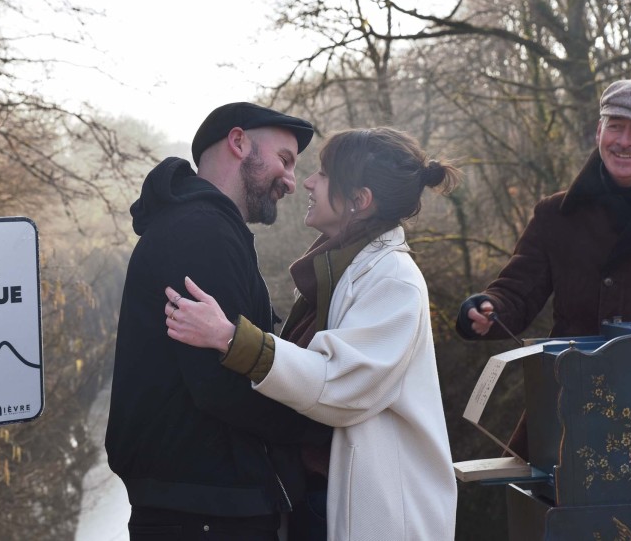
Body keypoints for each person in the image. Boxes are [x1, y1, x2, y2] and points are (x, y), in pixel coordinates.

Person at [164, 127, 460, 541]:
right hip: (323, 499)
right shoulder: (347, 269)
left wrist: (231, 338)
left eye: (323, 174)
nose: (306, 181)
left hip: (377, 514)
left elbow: (339, 382)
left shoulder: (394, 280)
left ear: (359, 200)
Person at [105, 102, 333, 541]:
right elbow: (221, 384)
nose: (291, 180)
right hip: (205, 512)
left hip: (205, 504)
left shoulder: (205, 226)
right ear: (239, 142)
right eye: (284, 159)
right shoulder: (200, 232)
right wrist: (322, 419)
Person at [456, 78, 631, 342]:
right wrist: (488, 308)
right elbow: (517, 293)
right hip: (575, 368)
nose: (624, 141)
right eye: (615, 126)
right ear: (599, 132)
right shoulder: (556, 214)